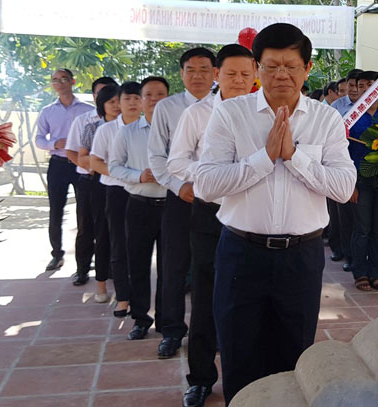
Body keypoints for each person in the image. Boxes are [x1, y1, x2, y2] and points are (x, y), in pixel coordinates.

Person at [195, 23, 356, 405]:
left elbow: (343, 187)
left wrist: (294, 157)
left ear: (307, 68)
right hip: (241, 254)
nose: (281, 75)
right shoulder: (230, 115)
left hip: (301, 257)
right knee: (239, 355)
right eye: (271, 66)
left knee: (295, 357)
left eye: (291, 66)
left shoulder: (325, 119)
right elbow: (206, 184)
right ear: (256, 67)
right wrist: (264, 158)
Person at [168, 43, 257, 407]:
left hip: (253, 214)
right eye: (231, 74)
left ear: (256, 76)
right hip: (210, 214)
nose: (239, 81)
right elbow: (177, 162)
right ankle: (201, 378)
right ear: (217, 75)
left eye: (246, 75)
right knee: (206, 296)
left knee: (249, 298)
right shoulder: (197, 114)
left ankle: (249, 380)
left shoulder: (264, 110)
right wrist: (211, 175)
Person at [148, 47, 217, 359]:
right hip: (180, 198)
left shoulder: (228, 105)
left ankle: (212, 332)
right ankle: (172, 330)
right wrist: (178, 185)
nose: (198, 76)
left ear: (216, 73)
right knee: (173, 266)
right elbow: (157, 155)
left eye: (205, 69)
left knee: (212, 268)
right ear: (181, 73)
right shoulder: (168, 107)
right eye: (191, 69)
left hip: (218, 200)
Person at [109, 76, 170, 337]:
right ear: (141, 100)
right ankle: (141, 319)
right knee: (138, 264)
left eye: (160, 95)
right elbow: (114, 167)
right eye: (149, 95)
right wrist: (139, 176)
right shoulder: (128, 132)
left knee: (171, 267)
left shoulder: (179, 130)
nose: (154, 100)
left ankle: (168, 322)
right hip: (139, 205)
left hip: (172, 207)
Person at [35, 69, 94, 273]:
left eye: (63, 79)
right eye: (55, 80)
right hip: (58, 164)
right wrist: (54, 143)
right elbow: (39, 139)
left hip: (81, 163)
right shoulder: (47, 111)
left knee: (85, 211)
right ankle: (57, 254)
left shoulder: (88, 110)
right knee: (56, 210)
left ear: (72, 82)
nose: (59, 83)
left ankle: (86, 257)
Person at [93, 82, 143, 311]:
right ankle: (123, 296)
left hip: (145, 194)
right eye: (126, 99)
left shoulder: (153, 128)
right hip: (116, 191)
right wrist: (126, 176)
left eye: (137, 98)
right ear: (118, 103)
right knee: (118, 244)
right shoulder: (107, 130)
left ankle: (143, 297)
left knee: (141, 247)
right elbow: (95, 162)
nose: (132, 103)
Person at [65, 77, 118, 286]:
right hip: (90, 180)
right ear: (96, 97)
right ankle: (82, 269)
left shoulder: (129, 125)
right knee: (87, 227)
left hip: (116, 183)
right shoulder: (86, 122)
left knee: (110, 228)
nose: (113, 103)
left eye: (115, 98)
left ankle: (110, 269)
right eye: (102, 94)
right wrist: (97, 167)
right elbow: (74, 152)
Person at [348, 70, 378, 292]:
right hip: (360, 179)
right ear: (357, 89)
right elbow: (342, 152)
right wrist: (351, 184)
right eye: (363, 86)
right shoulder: (351, 117)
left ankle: (375, 273)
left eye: (372, 85)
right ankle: (360, 273)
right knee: (362, 229)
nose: (368, 89)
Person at [329, 68, 363, 271]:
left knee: (365, 220)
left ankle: (367, 256)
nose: (354, 90)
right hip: (341, 165)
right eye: (351, 86)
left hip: (368, 167)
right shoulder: (336, 107)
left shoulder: (377, 107)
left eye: (359, 86)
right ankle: (345, 252)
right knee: (344, 215)